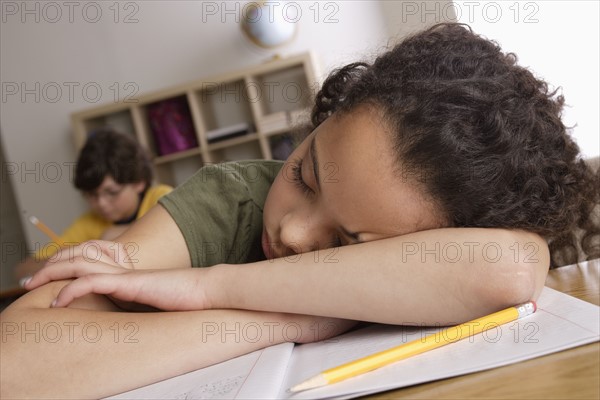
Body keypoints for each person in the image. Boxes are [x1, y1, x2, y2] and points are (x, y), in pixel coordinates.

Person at [2, 23, 597, 399]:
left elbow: (511, 267)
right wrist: (299, 317)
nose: (289, 229)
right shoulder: (233, 198)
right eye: (305, 176)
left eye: (346, 243)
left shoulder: (470, 250)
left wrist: (213, 290)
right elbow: (14, 364)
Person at [14, 129, 173, 280]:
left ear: (139, 182)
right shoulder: (89, 222)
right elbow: (23, 270)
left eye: (112, 192)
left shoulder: (161, 198)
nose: (101, 204)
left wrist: (110, 239)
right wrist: (70, 256)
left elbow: (172, 238)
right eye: (92, 195)